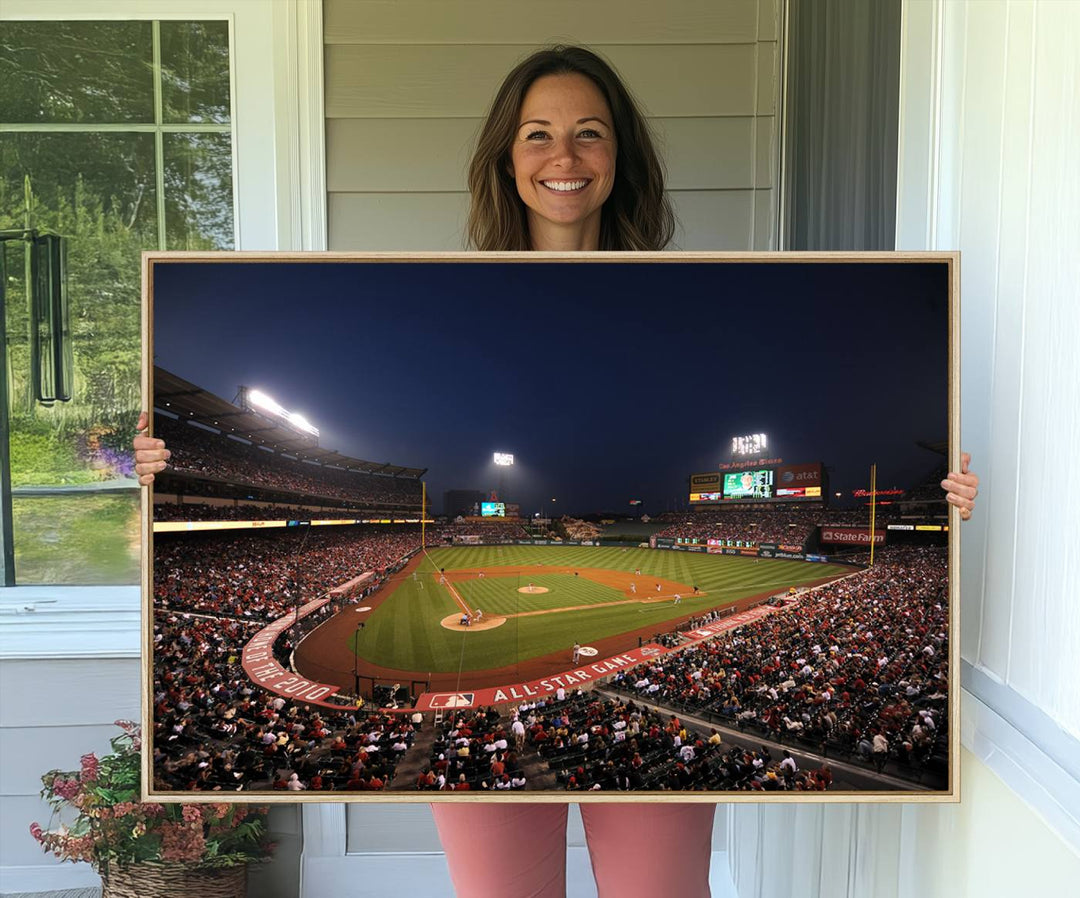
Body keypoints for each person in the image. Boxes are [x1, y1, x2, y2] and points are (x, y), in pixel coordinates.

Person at [134, 43, 980, 898]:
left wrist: (941, 505)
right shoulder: (454, 283)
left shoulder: (682, 291)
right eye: (537, 134)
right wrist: (147, 470)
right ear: (506, 157)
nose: (563, 157)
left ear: (622, 157)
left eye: (590, 133)